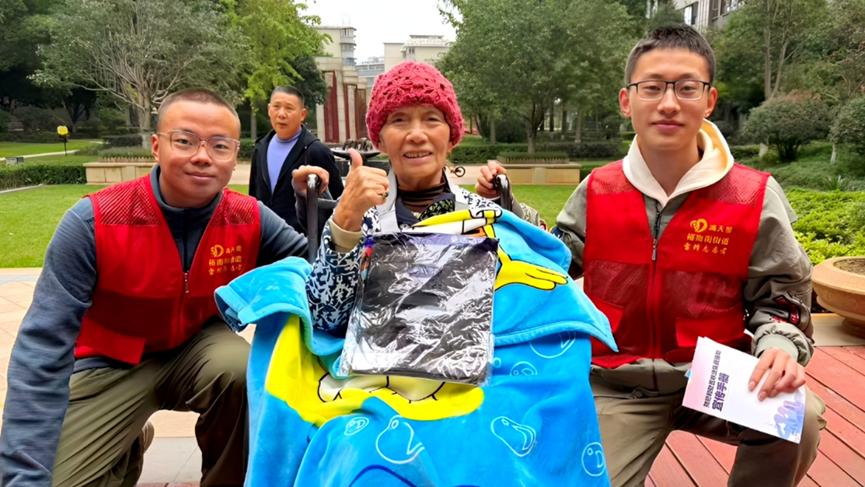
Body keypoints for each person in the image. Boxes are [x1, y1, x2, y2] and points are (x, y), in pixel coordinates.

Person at [219, 61, 614, 484]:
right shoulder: (361, 215)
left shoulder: (489, 217)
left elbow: (544, 282)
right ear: (380, 137)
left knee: (490, 441)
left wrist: (510, 205)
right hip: (372, 380)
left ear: (452, 134)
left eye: (431, 119)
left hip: (478, 379)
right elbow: (327, 319)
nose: (416, 134)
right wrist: (345, 224)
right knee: (360, 451)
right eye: (399, 121)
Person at [477, 25, 825, 487]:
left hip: (713, 374)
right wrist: (505, 208)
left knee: (798, 418)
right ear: (627, 101)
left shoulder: (752, 196)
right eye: (653, 87)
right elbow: (552, 261)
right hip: (617, 380)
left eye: (687, 88)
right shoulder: (599, 189)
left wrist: (779, 346)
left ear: (709, 100)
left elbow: (783, 297)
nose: (669, 103)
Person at [0, 88, 329, 486]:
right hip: (110, 360)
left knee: (244, 372)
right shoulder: (94, 222)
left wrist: (315, 207)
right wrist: (23, 474)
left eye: (219, 146)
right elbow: (41, 349)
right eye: (185, 141)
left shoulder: (248, 218)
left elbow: (321, 272)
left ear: (234, 157)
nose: (203, 156)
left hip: (199, 349)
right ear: (157, 146)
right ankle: (128, 440)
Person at [249, 86, 344, 232]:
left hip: (301, 240)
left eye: (289, 108)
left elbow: (337, 203)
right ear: (269, 109)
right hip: (265, 238)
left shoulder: (316, 151)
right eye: (276, 107)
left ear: (302, 114)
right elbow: (253, 198)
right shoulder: (260, 148)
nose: (281, 114)